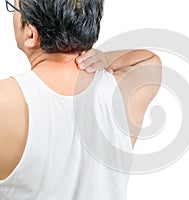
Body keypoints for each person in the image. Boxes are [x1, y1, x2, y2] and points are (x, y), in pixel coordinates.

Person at [0, 0, 162, 199]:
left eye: (14, 7)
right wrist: (105, 58)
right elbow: (149, 60)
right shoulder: (120, 92)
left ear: (31, 34)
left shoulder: (5, 101)